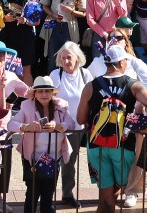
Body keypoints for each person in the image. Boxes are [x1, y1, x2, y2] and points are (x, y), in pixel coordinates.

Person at [77, 45, 147, 213]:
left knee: (106, 194)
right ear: (122, 62)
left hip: (96, 146)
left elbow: (80, 118)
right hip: (123, 145)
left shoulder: (91, 86)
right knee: (115, 190)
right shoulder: (133, 85)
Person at [7, 76, 77, 213]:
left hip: (54, 158)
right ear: (34, 94)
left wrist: (58, 125)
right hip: (33, 158)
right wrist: (26, 127)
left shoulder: (61, 105)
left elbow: (71, 124)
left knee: (48, 194)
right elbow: (11, 124)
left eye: (47, 91)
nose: (44, 94)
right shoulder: (26, 105)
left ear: (52, 93)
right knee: (33, 193)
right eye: (40, 91)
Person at [49, 42, 90, 208]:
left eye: (69, 57)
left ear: (77, 58)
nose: (66, 61)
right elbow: (46, 97)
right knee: (52, 163)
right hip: (57, 128)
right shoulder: (55, 74)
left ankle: (67, 194)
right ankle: (47, 197)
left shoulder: (86, 74)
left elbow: (91, 99)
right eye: (63, 57)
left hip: (77, 128)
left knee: (69, 164)